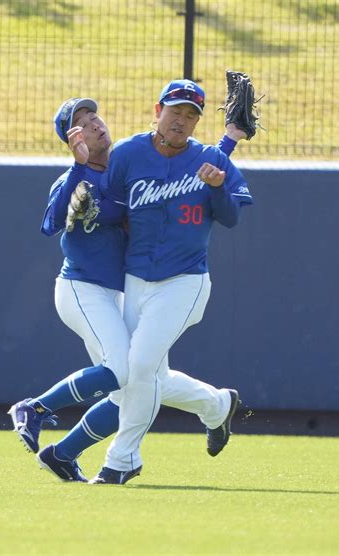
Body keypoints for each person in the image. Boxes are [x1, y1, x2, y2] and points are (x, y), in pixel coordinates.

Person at [8, 90, 249, 483]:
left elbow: (185, 168)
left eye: (94, 117)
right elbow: (51, 224)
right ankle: (39, 411)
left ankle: (217, 407)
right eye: (81, 123)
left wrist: (228, 142)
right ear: (72, 139)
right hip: (84, 289)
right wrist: (76, 169)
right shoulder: (77, 179)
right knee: (127, 372)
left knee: (141, 379)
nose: (93, 124)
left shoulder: (123, 163)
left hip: (126, 289)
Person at [90, 79, 253, 485]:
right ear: (157, 109)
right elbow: (109, 204)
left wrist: (217, 189)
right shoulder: (128, 153)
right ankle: (217, 405)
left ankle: (122, 459)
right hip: (135, 278)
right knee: (144, 375)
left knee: (140, 365)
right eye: (175, 110)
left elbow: (232, 217)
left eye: (191, 114)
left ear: (198, 122)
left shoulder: (211, 160)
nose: (181, 120)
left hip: (185, 281)